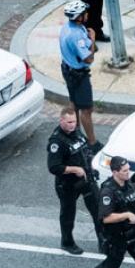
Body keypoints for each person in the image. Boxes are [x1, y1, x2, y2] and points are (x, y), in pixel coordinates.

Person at [47, 107, 104, 254]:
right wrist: (74, 169)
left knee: (98, 210)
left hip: (85, 180)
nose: (73, 125)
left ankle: (104, 242)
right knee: (68, 214)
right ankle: (67, 242)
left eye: (74, 121)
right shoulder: (57, 141)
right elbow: (54, 167)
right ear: (61, 121)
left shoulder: (76, 131)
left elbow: (85, 148)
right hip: (67, 185)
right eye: (69, 122)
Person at [59, 0, 103, 152]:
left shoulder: (68, 27)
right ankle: (92, 143)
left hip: (68, 69)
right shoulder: (76, 35)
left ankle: (74, 133)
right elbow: (89, 58)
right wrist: (92, 39)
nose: (87, 14)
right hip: (79, 75)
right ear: (79, 16)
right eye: (85, 13)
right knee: (86, 109)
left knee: (74, 102)